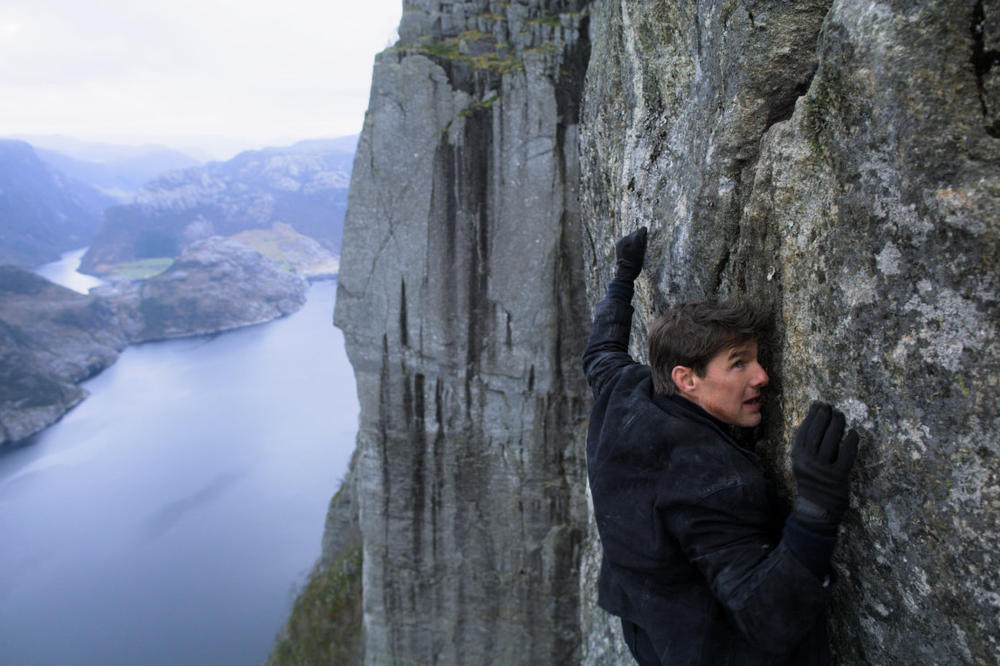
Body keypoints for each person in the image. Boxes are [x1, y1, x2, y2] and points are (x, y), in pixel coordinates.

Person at [583, 227, 859, 665]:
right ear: (685, 378)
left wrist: (623, 276)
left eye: (756, 359)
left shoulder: (626, 389)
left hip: (646, 626)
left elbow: (600, 352)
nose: (762, 377)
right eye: (738, 364)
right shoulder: (711, 479)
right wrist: (818, 508)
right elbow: (768, 615)